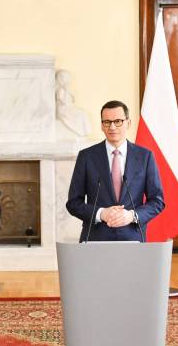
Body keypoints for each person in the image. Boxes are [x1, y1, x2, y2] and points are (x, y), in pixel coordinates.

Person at [66, 100, 164, 242]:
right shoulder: (86, 156)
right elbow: (73, 203)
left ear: (128, 123)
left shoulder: (145, 157)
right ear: (101, 125)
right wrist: (101, 213)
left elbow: (157, 201)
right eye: (107, 122)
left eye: (118, 121)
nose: (112, 127)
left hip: (133, 238)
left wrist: (131, 216)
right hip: (95, 238)